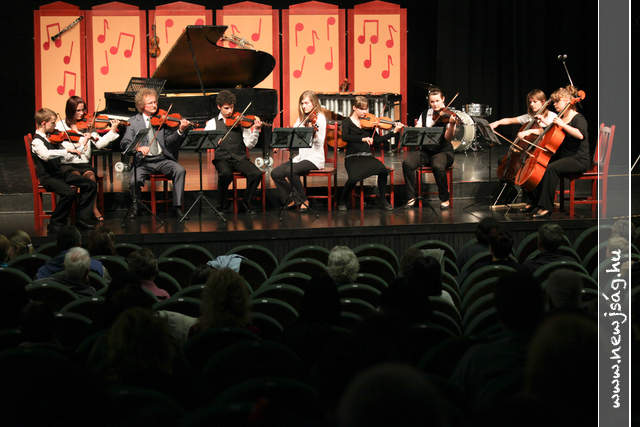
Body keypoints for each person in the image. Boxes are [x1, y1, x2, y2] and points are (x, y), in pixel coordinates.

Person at [517, 85, 590, 218]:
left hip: (578, 159)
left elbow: (580, 135)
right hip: (565, 156)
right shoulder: (562, 117)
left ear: (568, 101)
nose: (554, 104)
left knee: (551, 168)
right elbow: (554, 132)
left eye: (557, 101)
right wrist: (545, 121)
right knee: (539, 165)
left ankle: (546, 207)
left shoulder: (578, 118)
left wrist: (562, 125)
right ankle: (534, 202)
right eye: (554, 101)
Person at [120, 88, 190, 220]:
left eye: (155, 102)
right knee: (134, 180)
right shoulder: (133, 122)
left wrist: (180, 131)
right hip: (143, 162)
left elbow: (169, 142)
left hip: (162, 159)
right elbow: (125, 143)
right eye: (150, 103)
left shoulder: (162, 119)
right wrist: (138, 148)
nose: (154, 105)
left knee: (180, 170)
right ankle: (135, 206)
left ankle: (177, 207)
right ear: (142, 105)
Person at [31, 108, 97, 233]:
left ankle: (81, 219)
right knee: (69, 193)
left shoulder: (50, 137)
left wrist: (81, 144)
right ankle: (56, 223)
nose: (55, 126)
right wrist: (65, 151)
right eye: (52, 123)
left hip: (59, 173)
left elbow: (67, 154)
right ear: (43, 123)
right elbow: (46, 155)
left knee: (90, 185)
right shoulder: (37, 141)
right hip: (48, 177)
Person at [56, 96, 121, 222]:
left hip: (84, 164)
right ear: (70, 111)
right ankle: (76, 211)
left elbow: (100, 144)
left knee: (91, 177)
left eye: (83, 110)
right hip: (68, 164)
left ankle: (93, 208)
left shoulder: (88, 125)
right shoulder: (60, 126)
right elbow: (66, 149)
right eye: (78, 111)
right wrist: (83, 142)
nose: (82, 113)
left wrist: (112, 130)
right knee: (77, 178)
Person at [339, 96, 403, 211]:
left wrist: (393, 132)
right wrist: (362, 139)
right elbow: (345, 137)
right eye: (362, 109)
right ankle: (342, 200)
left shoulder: (369, 123)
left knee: (383, 171)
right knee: (353, 178)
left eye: (366, 109)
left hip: (367, 157)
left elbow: (377, 140)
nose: (365, 112)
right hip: (352, 158)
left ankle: (382, 200)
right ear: (354, 108)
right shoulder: (346, 122)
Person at [204, 90, 263, 214]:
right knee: (225, 174)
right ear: (219, 107)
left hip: (239, 158)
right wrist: (214, 142)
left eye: (232, 107)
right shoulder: (212, 123)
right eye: (226, 108)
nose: (230, 111)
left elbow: (249, 145)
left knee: (256, 174)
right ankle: (222, 204)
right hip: (222, 158)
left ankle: (246, 202)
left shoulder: (241, 121)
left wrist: (256, 131)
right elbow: (205, 143)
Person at [271, 90, 326, 212]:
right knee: (275, 173)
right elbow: (293, 138)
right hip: (301, 157)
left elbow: (319, 142)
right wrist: (281, 146)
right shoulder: (302, 119)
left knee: (290, 171)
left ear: (314, 103)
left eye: (306, 103)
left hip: (314, 158)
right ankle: (291, 199)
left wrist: (313, 133)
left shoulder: (320, 119)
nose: (304, 106)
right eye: (302, 103)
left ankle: (303, 200)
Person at [402, 88, 455, 210]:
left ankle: (444, 198)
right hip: (426, 151)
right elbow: (418, 129)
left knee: (437, 165)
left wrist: (452, 124)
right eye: (432, 102)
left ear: (443, 99)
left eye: (437, 101)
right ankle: (411, 198)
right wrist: (413, 130)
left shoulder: (449, 115)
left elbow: (448, 138)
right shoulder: (425, 114)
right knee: (407, 163)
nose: (435, 104)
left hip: (443, 151)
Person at [489, 89, 557, 131]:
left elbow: (554, 130)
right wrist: (497, 123)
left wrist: (543, 120)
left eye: (535, 102)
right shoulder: (529, 117)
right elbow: (510, 120)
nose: (531, 104)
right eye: (530, 102)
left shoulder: (552, 116)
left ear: (543, 102)